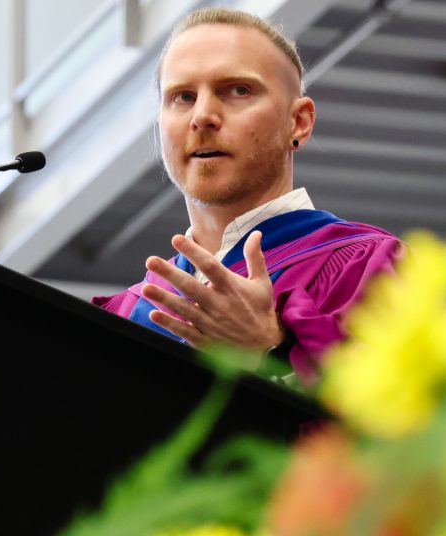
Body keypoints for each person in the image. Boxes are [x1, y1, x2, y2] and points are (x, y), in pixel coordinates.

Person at [92, 7, 403, 380]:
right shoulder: (122, 316)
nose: (202, 116)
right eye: (182, 96)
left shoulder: (373, 270)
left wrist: (269, 352)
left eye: (238, 90)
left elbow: (417, 430)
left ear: (298, 122)